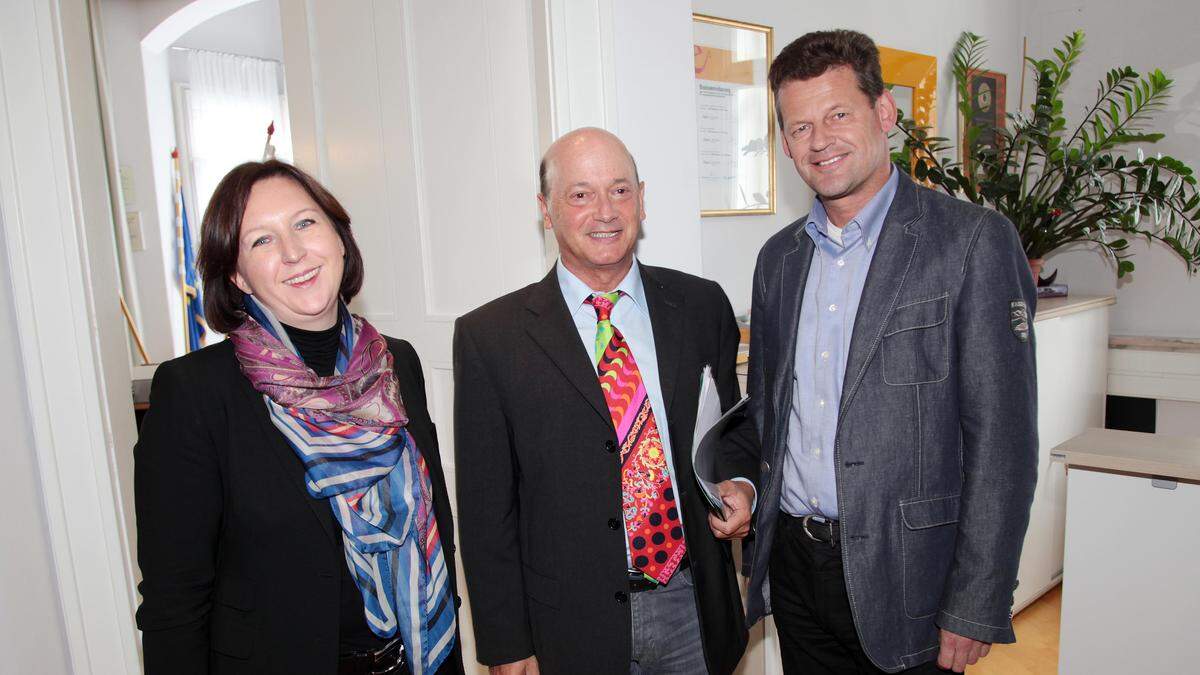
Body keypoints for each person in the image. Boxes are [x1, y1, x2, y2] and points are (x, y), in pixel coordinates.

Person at [739, 30, 1039, 674]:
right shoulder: (778, 261)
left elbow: (1003, 442)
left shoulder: (972, 243)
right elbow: (766, 414)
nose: (819, 141)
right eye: (798, 127)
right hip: (796, 572)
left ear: (884, 114)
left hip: (913, 579)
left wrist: (977, 600)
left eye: (838, 114)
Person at [135, 160, 463, 675]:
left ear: (338, 237)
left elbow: (433, 530)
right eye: (261, 241)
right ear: (237, 274)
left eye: (305, 223)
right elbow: (174, 598)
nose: (293, 252)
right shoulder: (194, 393)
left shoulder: (397, 362)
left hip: (419, 658)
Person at [453, 127, 759, 674]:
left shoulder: (701, 305)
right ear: (545, 210)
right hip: (569, 626)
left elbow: (727, 435)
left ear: (642, 197)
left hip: (694, 605)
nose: (605, 211)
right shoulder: (490, 338)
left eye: (620, 190)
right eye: (580, 194)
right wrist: (505, 642)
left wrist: (741, 485)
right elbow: (485, 510)